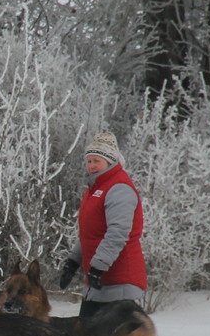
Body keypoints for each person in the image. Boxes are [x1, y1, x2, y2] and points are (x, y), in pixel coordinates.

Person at [58, 132, 146, 319]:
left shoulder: (119, 188)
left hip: (119, 283)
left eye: (96, 161)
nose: (91, 166)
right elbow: (91, 234)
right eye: (88, 161)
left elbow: (117, 233)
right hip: (98, 283)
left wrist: (97, 267)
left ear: (110, 161)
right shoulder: (94, 190)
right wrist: (73, 262)